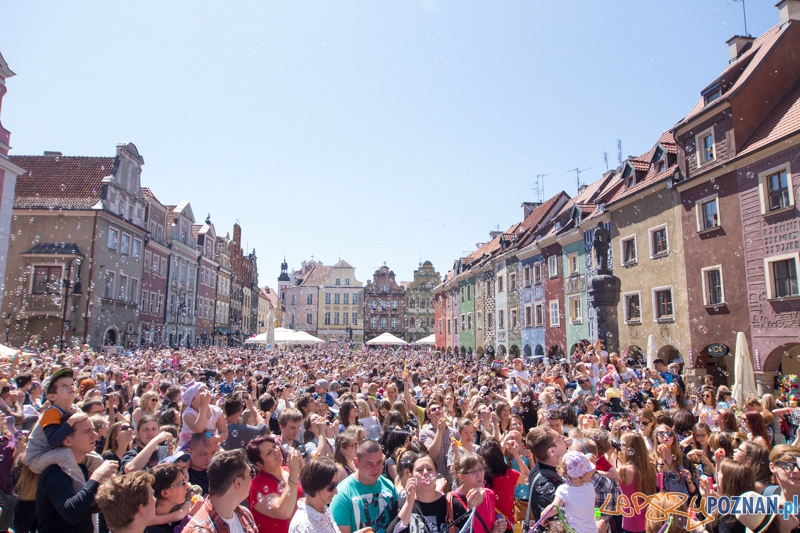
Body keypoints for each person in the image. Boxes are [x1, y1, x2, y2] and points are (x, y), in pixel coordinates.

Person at [35, 415, 118, 533]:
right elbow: (72, 513)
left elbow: (89, 506)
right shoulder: (55, 473)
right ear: (67, 440)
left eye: (93, 430)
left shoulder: (83, 468)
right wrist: (98, 475)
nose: (94, 435)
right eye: (87, 431)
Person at [25, 368, 104, 491]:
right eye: (64, 386)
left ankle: (106, 490)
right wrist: (71, 421)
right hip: (37, 457)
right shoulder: (51, 412)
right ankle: (82, 493)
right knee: (65, 454)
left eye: (72, 384)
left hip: (55, 452)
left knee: (96, 458)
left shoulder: (73, 408)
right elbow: (53, 441)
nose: (71, 387)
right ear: (52, 396)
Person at [181, 449, 258, 533]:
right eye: (251, 474)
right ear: (238, 482)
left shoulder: (245, 514)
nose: (252, 479)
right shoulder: (201, 530)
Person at [331, 439, 399, 533]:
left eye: (379, 462)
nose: (375, 469)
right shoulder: (342, 494)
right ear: (356, 463)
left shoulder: (389, 486)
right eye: (369, 464)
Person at [246, 435, 304, 533]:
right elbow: (283, 512)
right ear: (259, 463)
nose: (276, 451)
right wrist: (294, 471)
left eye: (274, 446)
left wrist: (301, 468)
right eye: (269, 452)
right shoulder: (256, 485)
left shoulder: (288, 469)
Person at [537, 451, 600, 533]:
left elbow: (555, 506)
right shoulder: (589, 486)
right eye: (589, 470)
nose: (592, 471)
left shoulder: (564, 490)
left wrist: (543, 515)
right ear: (581, 475)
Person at [448, 452, 505, 533]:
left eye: (481, 469)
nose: (479, 474)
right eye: (473, 471)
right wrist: (470, 511)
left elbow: (489, 528)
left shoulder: (489, 494)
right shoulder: (453, 499)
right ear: (461, 477)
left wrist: (497, 528)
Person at [391, 454, 448, 533]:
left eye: (429, 469)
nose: (425, 473)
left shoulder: (450, 502)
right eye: (419, 470)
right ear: (410, 476)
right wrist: (409, 502)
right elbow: (392, 531)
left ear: (436, 473)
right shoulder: (401, 504)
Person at [288, 457, 346, 533]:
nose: (336, 491)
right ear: (316, 485)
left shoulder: (324, 509)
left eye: (336, 484)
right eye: (331, 485)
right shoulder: (302, 526)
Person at [525, 426, 567, 521]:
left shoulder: (540, 467)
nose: (564, 438)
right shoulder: (545, 482)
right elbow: (556, 522)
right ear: (552, 451)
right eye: (559, 438)